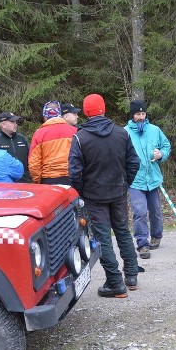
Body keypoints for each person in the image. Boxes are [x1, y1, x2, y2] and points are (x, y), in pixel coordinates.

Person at [69, 93, 140, 298]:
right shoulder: (121, 133)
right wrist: (125, 183)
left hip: (96, 194)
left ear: (86, 112)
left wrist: (82, 191)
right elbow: (133, 162)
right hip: (116, 191)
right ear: (103, 109)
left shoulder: (80, 137)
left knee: (103, 238)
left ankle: (116, 282)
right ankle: (131, 276)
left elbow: (74, 172)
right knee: (123, 232)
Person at [125, 100, 171, 259]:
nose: (141, 117)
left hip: (153, 179)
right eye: (138, 114)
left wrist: (161, 155)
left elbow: (166, 146)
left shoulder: (155, 130)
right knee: (139, 211)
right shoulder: (124, 133)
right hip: (135, 181)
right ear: (132, 115)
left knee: (156, 211)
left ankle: (156, 235)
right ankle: (142, 244)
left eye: (143, 113)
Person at [29, 100, 76, 184]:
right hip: (72, 177)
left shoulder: (39, 134)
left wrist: (37, 181)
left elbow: (34, 163)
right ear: (60, 115)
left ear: (45, 117)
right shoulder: (75, 131)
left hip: (49, 179)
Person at [0, 111, 32, 183]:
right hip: (7, 182)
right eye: (12, 122)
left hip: (25, 180)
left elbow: (31, 156)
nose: (15, 124)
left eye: (15, 122)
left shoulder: (22, 138)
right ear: (3, 125)